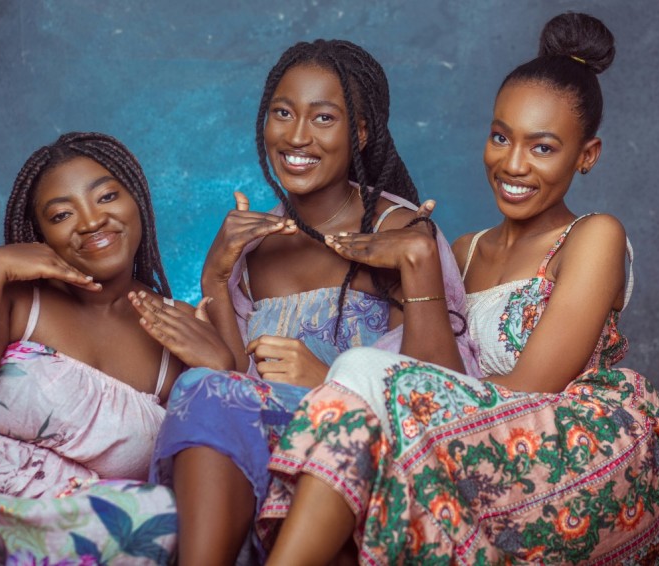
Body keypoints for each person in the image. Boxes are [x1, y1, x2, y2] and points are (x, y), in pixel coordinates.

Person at [259, 13, 659, 564]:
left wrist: (355, 373)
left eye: (543, 148)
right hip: (474, 452)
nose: (513, 164)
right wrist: (413, 269)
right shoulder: (461, 251)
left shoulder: (593, 236)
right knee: (360, 424)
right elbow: (439, 377)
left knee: (360, 374)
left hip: (571, 457)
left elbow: (528, 390)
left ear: (587, 155)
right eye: (501, 137)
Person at [152, 39, 480, 564]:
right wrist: (215, 275)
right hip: (267, 466)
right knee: (200, 388)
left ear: (361, 132)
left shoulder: (400, 232)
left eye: (323, 117)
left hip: (368, 466)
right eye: (282, 113)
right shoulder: (253, 246)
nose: (297, 135)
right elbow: (233, 388)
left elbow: (439, 399)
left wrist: (327, 382)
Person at [0, 132, 232, 563]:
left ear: (136, 200)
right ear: (40, 233)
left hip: (82, 543)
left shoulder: (179, 329)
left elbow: (208, 476)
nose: (91, 221)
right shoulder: (7, 290)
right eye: (62, 214)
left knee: (158, 511)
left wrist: (219, 368)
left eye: (107, 197)